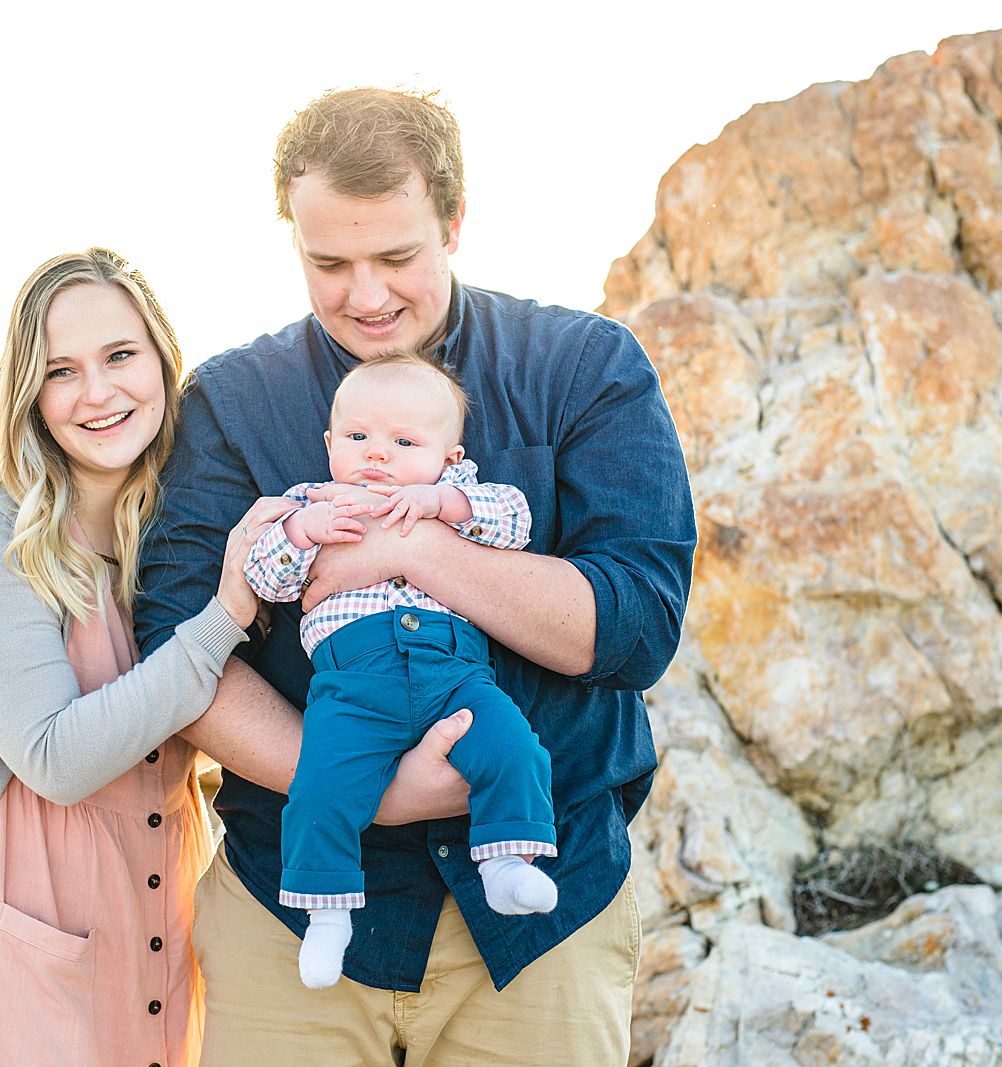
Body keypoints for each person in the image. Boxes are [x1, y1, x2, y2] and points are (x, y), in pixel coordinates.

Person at [135, 89, 696, 1066]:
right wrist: (369, 791)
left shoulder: (584, 367)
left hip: (542, 925)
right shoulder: (231, 402)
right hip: (286, 921)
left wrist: (417, 548)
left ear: (455, 218)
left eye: (396, 256)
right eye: (329, 263)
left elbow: (636, 627)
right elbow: (176, 645)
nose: (366, 295)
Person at [0, 247, 292, 1067]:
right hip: (8, 919)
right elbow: (56, 758)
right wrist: (227, 613)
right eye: (62, 370)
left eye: (120, 356)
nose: (98, 393)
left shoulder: (177, 533)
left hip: (154, 910)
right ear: (30, 392)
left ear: (164, 364)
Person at [243, 351, 559, 989]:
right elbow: (265, 580)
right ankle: (326, 914)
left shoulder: (460, 498)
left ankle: (506, 863)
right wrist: (302, 532)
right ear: (330, 445)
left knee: (513, 745)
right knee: (319, 787)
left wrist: (444, 504)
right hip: (351, 684)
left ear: (449, 455)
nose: (377, 455)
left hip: (455, 673)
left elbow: (517, 521)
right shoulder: (312, 502)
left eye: (403, 441)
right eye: (358, 438)